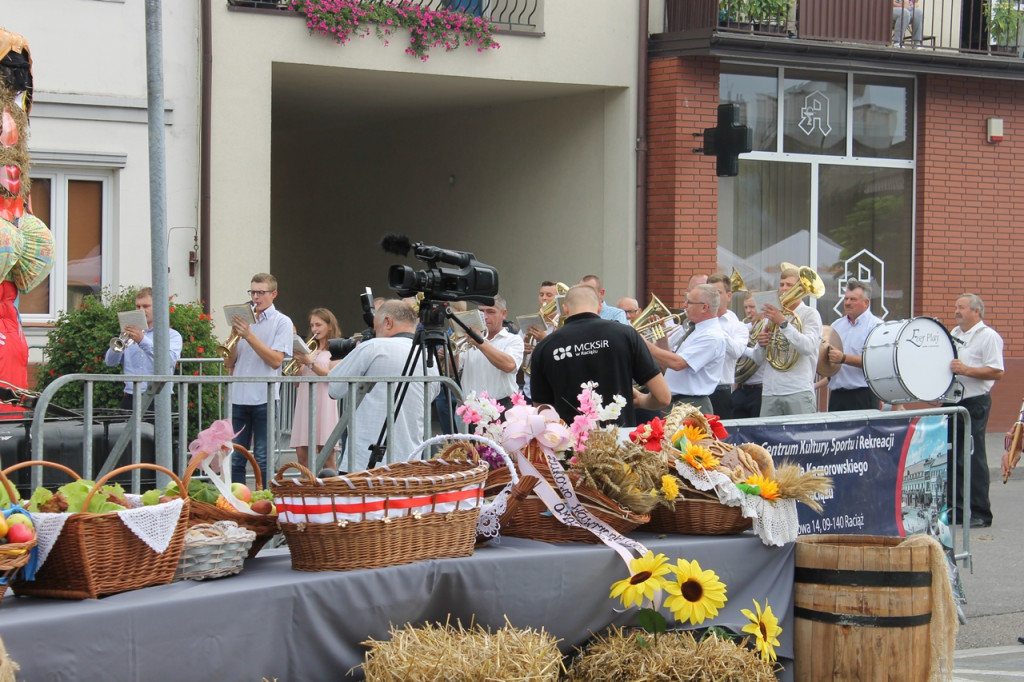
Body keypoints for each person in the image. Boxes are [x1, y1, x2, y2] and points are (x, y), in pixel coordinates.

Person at [530, 285, 669, 426]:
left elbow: (542, 410)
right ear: (599, 308)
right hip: (618, 440)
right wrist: (641, 401)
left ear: (565, 309)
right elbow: (663, 397)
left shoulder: (545, 346)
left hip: (569, 441)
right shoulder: (626, 334)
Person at [328, 299, 440, 472]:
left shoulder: (373, 346)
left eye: (376, 328)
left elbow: (334, 389)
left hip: (364, 459)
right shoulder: (428, 357)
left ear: (387, 322)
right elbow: (432, 395)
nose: (375, 333)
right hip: (409, 459)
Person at [225, 273, 293, 487]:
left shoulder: (282, 322)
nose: (255, 297)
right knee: (236, 457)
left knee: (263, 457)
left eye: (261, 292)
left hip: (264, 397)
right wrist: (234, 339)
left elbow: (275, 360)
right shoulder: (244, 319)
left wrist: (249, 336)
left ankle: (263, 500)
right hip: (239, 395)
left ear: (273, 294)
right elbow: (229, 363)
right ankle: (236, 502)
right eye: (252, 292)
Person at [945, 293, 1003, 529]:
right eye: (956, 306)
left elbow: (996, 371)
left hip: (974, 402)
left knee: (972, 457)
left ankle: (981, 512)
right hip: (952, 400)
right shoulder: (954, 334)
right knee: (950, 457)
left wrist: (966, 369)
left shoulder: (988, 336)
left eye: (961, 307)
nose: (956, 310)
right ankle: (956, 510)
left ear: (976, 311)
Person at [645, 284, 726, 416]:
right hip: (677, 402)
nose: (685, 306)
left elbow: (678, 364)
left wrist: (643, 343)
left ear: (704, 307)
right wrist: (661, 338)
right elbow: (670, 365)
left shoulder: (711, 335)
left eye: (689, 302)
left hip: (692, 404)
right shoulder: (696, 330)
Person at [754, 266, 823, 416]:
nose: (784, 289)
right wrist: (761, 344)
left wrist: (784, 324)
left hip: (797, 389)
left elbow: (808, 347)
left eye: (789, 285)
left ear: (801, 289)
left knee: (801, 438)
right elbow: (758, 359)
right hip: (770, 391)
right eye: (781, 284)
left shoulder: (810, 314)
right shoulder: (772, 315)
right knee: (767, 439)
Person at [104, 287, 184, 410]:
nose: (141, 310)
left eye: (146, 306)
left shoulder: (171, 335)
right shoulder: (129, 333)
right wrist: (120, 341)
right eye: (138, 306)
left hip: (158, 399)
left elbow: (168, 361)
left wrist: (142, 340)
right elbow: (110, 362)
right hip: (129, 399)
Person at [289, 307, 341, 471]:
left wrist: (309, 362)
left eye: (318, 325)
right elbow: (297, 383)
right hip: (305, 403)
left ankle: (333, 494)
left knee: (327, 458)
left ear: (330, 325)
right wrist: (297, 365)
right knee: (302, 458)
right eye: (312, 325)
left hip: (325, 403)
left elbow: (331, 375)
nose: (314, 329)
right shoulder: (309, 349)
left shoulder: (337, 348)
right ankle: (307, 494)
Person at [458, 295, 524, 414]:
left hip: (502, 408)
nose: (485, 317)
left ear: (503, 314)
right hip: (471, 409)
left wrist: (480, 342)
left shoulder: (513, 339)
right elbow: (452, 371)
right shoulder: (468, 339)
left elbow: (509, 366)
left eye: (491, 312)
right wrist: (454, 350)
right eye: (481, 312)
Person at [826, 279, 882, 412]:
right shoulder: (836, 325)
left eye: (853, 299)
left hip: (863, 395)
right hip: (837, 396)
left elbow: (874, 362)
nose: (848, 303)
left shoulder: (876, 326)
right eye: (846, 299)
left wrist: (843, 358)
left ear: (866, 302)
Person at [707, 273, 748, 419]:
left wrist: (713, 325)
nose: (713, 297)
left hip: (720, 391)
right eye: (710, 293)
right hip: (695, 390)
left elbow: (736, 352)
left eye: (718, 293)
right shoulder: (695, 321)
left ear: (729, 296)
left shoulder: (737, 326)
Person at [732, 292, 765, 418]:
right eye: (746, 307)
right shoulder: (743, 328)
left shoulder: (767, 327)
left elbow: (759, 357)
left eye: (752, 307)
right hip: (742, 387)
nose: (748, 311)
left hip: (760, 388)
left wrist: (741, 348)